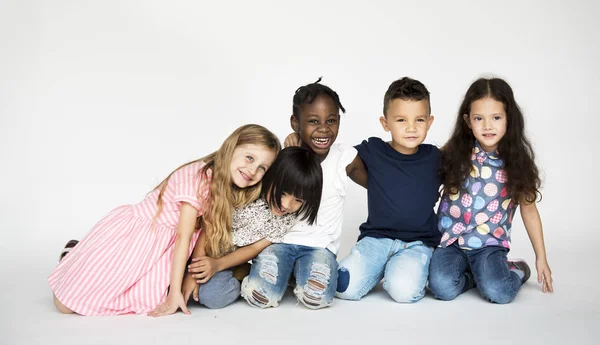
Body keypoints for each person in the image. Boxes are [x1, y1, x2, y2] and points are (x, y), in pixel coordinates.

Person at [48, 124, 280, 316]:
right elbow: (183, 237)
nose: (252, 170)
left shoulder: (226, 185)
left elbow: (205, 232)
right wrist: (174, 295)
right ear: (232, 148)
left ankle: (81, 257)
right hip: (138, 237)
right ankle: (77, 255)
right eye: (249, 158)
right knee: (65, 306)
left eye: (262, 168)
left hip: (160, 248)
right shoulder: (199, 179)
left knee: (140, 296)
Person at [241, 78, 367, 309]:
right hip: (277, 241)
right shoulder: (285, 155)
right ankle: (273, 273)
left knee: (316, 297)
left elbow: (379, 185)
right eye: (312, 121)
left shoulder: (345, 158)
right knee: (262, 294)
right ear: (295, 123)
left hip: (320, 246)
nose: (324, 129)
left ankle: (297, 274)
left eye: (331, 120)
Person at [428, 77, 554, 304]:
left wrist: (541, 258)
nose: (487, 126)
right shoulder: (455, 152)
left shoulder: (516, 162)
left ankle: (515, 270)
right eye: (479, 118)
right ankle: (474, 278)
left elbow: (530, 210)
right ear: (468, 121)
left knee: (499, 292)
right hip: (451, 241)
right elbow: (425, 175)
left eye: (496, 118)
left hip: (489, 245)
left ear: (509, 119)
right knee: (442, 288)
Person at [335, 77, 441, 303]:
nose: (411, 128)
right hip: (376, 239)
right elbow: (339, 158)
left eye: (419, 119)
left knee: (403, 292)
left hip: (418, 243)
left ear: (430, 122)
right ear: (385, 123)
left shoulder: (435, 158)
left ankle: (402, 270)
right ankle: (376, 268)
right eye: (401, 120)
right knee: (342, 288)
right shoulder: (374, 150)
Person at [183, 147, 323, 309]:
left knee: (213, 296)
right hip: (197, 249)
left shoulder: (287, 218)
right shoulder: (246, 191)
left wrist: (218, 265)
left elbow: (255, 247)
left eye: (298, 200)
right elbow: (209, 226)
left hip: (227, 260)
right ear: (271, 177)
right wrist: (193, 274)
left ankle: (243, 273)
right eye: (283, 193)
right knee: (169, 282)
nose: (286, 205)